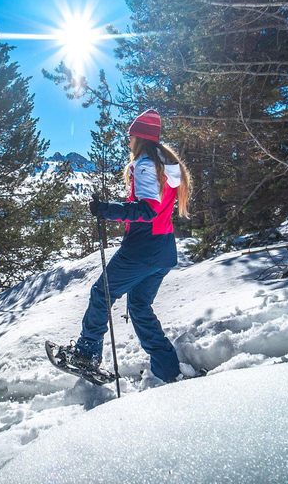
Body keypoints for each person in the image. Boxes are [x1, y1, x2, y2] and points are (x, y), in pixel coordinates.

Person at [58, 108, 191, 383]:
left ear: (139, 137)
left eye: (129, 136)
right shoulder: (166, 164)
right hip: (164, 249)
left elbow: (147, 209)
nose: (127, 141)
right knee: (140, 307)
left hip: (142, 248)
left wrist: (106, 209)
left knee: (101, 293)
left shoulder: (145, 164)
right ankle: (168, 369)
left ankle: (86, 353)